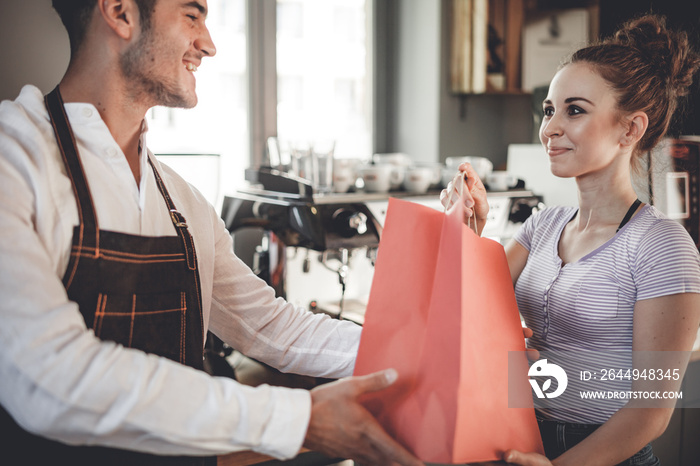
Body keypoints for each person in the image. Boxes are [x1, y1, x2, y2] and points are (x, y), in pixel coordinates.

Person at [0, 1, 424, 465]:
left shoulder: (183, 202)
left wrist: (413, 352)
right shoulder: (15, 163)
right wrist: (298, 419)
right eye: (191, 16)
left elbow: (271, 327)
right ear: (121, 12)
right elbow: (50, 377)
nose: (209, 44)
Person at [442, 14, 700, 466]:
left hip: (605, 453)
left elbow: (651, 411)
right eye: (548, 110)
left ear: (631, 129)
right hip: (520, 438)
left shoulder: (662, 245)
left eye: (574, 110)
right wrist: (468, 229)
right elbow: (467, 312)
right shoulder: (542, 225)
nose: (550, 128)